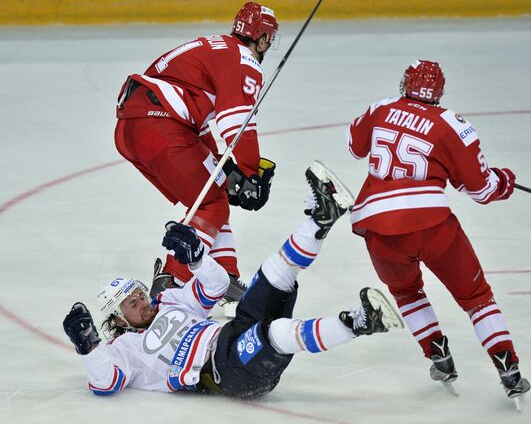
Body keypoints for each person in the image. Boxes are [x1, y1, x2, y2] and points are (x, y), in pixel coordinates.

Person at [63, 162, 403, 397]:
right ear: (119, 317)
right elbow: (105, 384)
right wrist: (88, 346)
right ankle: (360, 323)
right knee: (275, 334)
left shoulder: (170, 301)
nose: (140, 299)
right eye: (130, 302)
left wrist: (197, 258)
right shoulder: (122, 349)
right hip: (222, 372)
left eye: (138, 291)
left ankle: (319, 219)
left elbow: (215, 287)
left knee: (274, 272)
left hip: (232, 333)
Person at [345, 59, 530, 403]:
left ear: (405, 84)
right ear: (439, 91)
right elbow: (481, 189)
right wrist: (502, 181)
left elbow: (354, 146)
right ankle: (508, 366)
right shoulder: (452, 124)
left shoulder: (381, 108)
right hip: (432, 226)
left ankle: (438, 356)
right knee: (477, 299)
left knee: (407, 293)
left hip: (378, 229)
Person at [114, 2, 279, 306]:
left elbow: (196, 120)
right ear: (263, 38)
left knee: (212, 195)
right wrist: (250, 172)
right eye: (269, 39)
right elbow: (236, 120)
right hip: (160, 126)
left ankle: (224, 278)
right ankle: (171, 281)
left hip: (134, 130)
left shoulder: (215, 46)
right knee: (213, 202)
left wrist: (224, 169)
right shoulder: (244, 61)